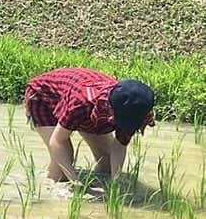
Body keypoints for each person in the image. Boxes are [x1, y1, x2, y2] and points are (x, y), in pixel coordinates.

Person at [25, 67, 155, 183]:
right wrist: (74, 181)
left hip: (78, 98)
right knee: (61, 171)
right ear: (111, 111)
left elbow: (119, 146)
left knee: (106, 163)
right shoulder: (81, 104)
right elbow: (57, 141)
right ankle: (45, 186)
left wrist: (116, 181)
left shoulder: (133, 109)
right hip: (43, 96)